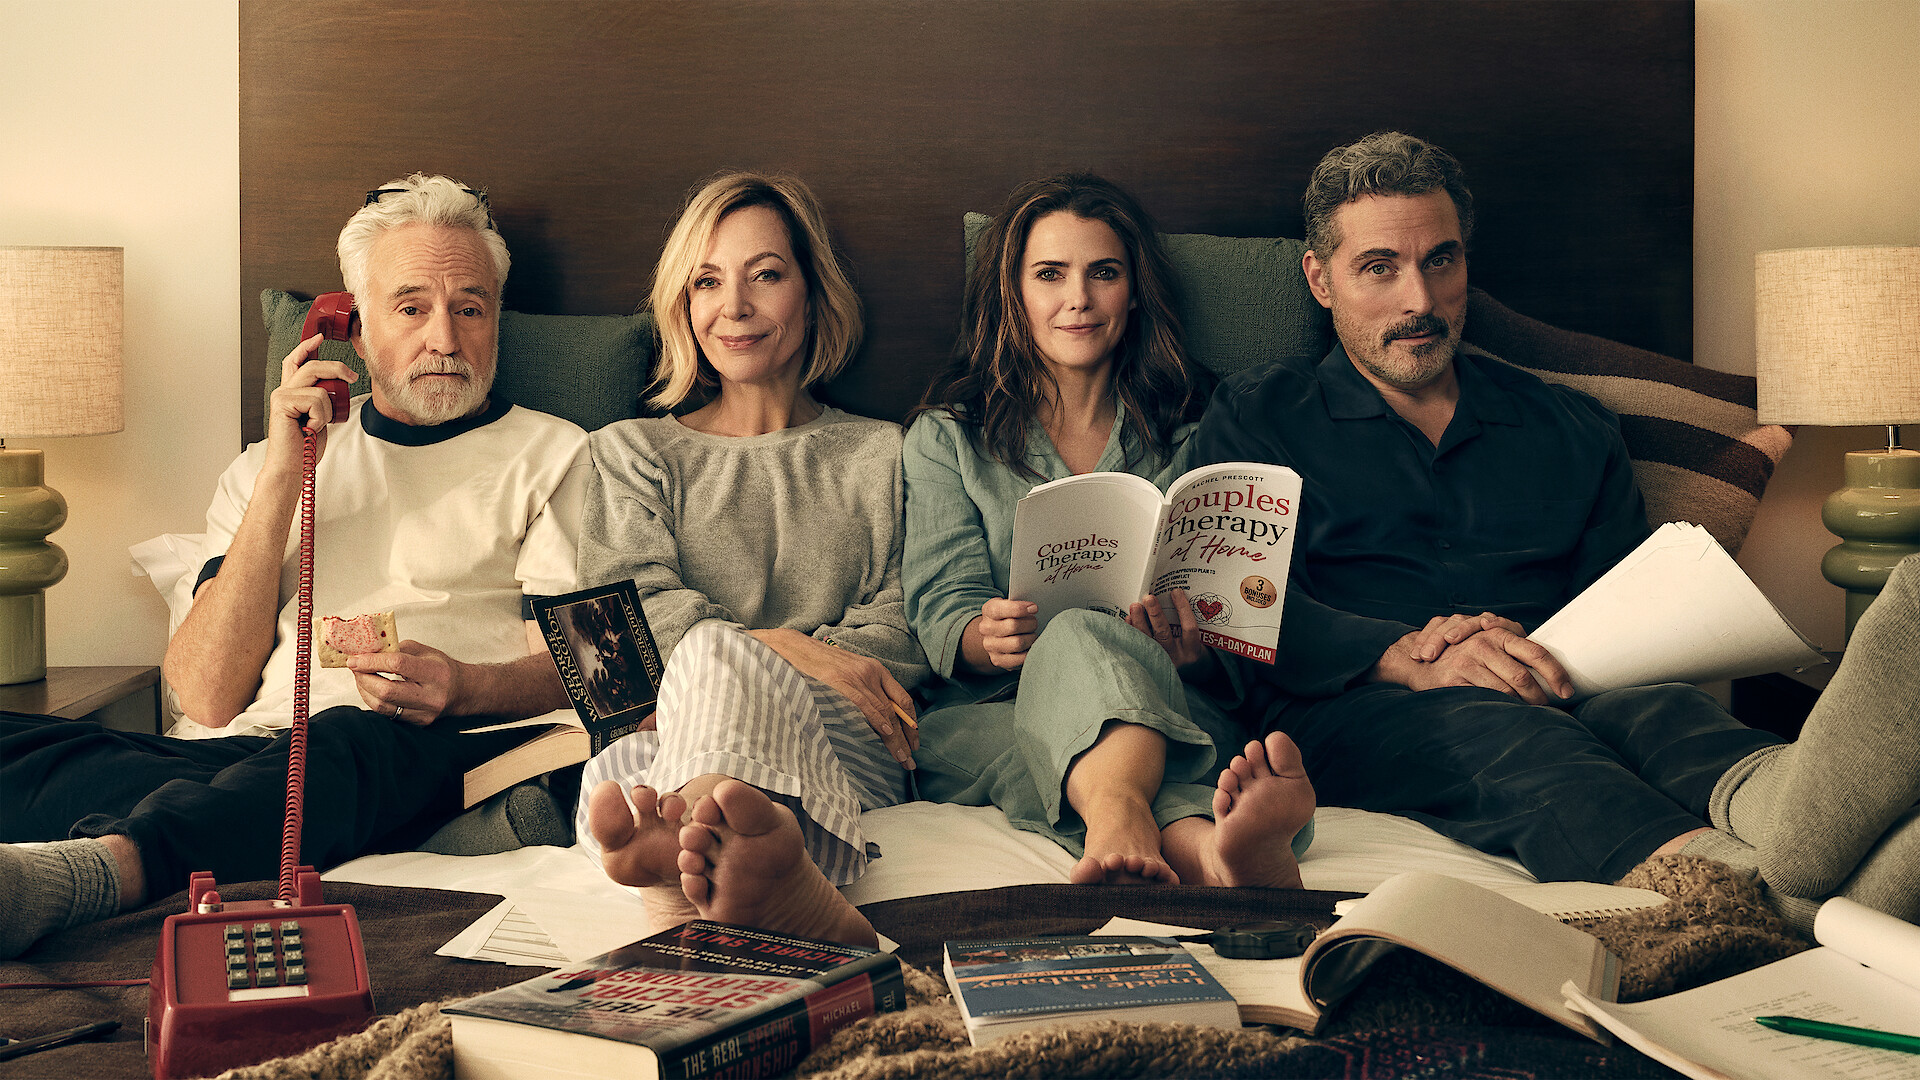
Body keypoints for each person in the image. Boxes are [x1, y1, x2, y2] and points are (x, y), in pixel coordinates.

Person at [1194, 130, 1920, 929]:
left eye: (1441, 260)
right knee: (1511, 739)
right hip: (1360, 710)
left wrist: (1586, 659)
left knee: (1666, 712)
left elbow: (1628, 606)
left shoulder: (1569, 425)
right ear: (1319, 280)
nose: (1420, 302)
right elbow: (1232, 604)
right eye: (1380, 268)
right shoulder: (1258, 414)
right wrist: (1402, 658)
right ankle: (1749, 895)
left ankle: (1817, 829)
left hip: (1567, 676)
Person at [0, 174, 590, 959]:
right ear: (351, 322)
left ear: (496, 320)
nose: (444, 338)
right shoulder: (265, 469)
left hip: (432, 749)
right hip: (256, 757)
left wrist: (466, 686)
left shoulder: (559, 455)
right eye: (411, 307)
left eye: (470, 308)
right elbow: (206, 696)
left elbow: (592, 664)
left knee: (346, 736)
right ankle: (200, 825)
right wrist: (285, 472)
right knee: (30, 747)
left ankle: (106, 872)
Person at [903, 173, 1316, 890]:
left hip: (1166, 691)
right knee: (1070, 642)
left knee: (1125, 680)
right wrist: (984, 635)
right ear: (1013, 293)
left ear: (1134, 291)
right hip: (1001, 704)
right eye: (1050, 274)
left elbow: (1231, 613)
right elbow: (943, 607)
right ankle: (1207, 849)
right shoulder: (948, 437)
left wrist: (1190, 651)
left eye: (1104, 273)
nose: (1079, 299)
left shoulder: (1195, 428)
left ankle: (1128, 828)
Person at [576, 172, 926, 949]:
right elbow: (620, 636)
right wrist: (799, 650)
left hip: (844, 740)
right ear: (683, 305)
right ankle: (754, 873)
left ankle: (684, 874)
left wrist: (747, 665)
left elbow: (907, 629)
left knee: (692, 679)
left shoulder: (882, 452)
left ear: (812, 292)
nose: (733, 307)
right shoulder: (629, 452)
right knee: (620, 769)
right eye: (707, 281)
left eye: (764, 274)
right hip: (674, 722)